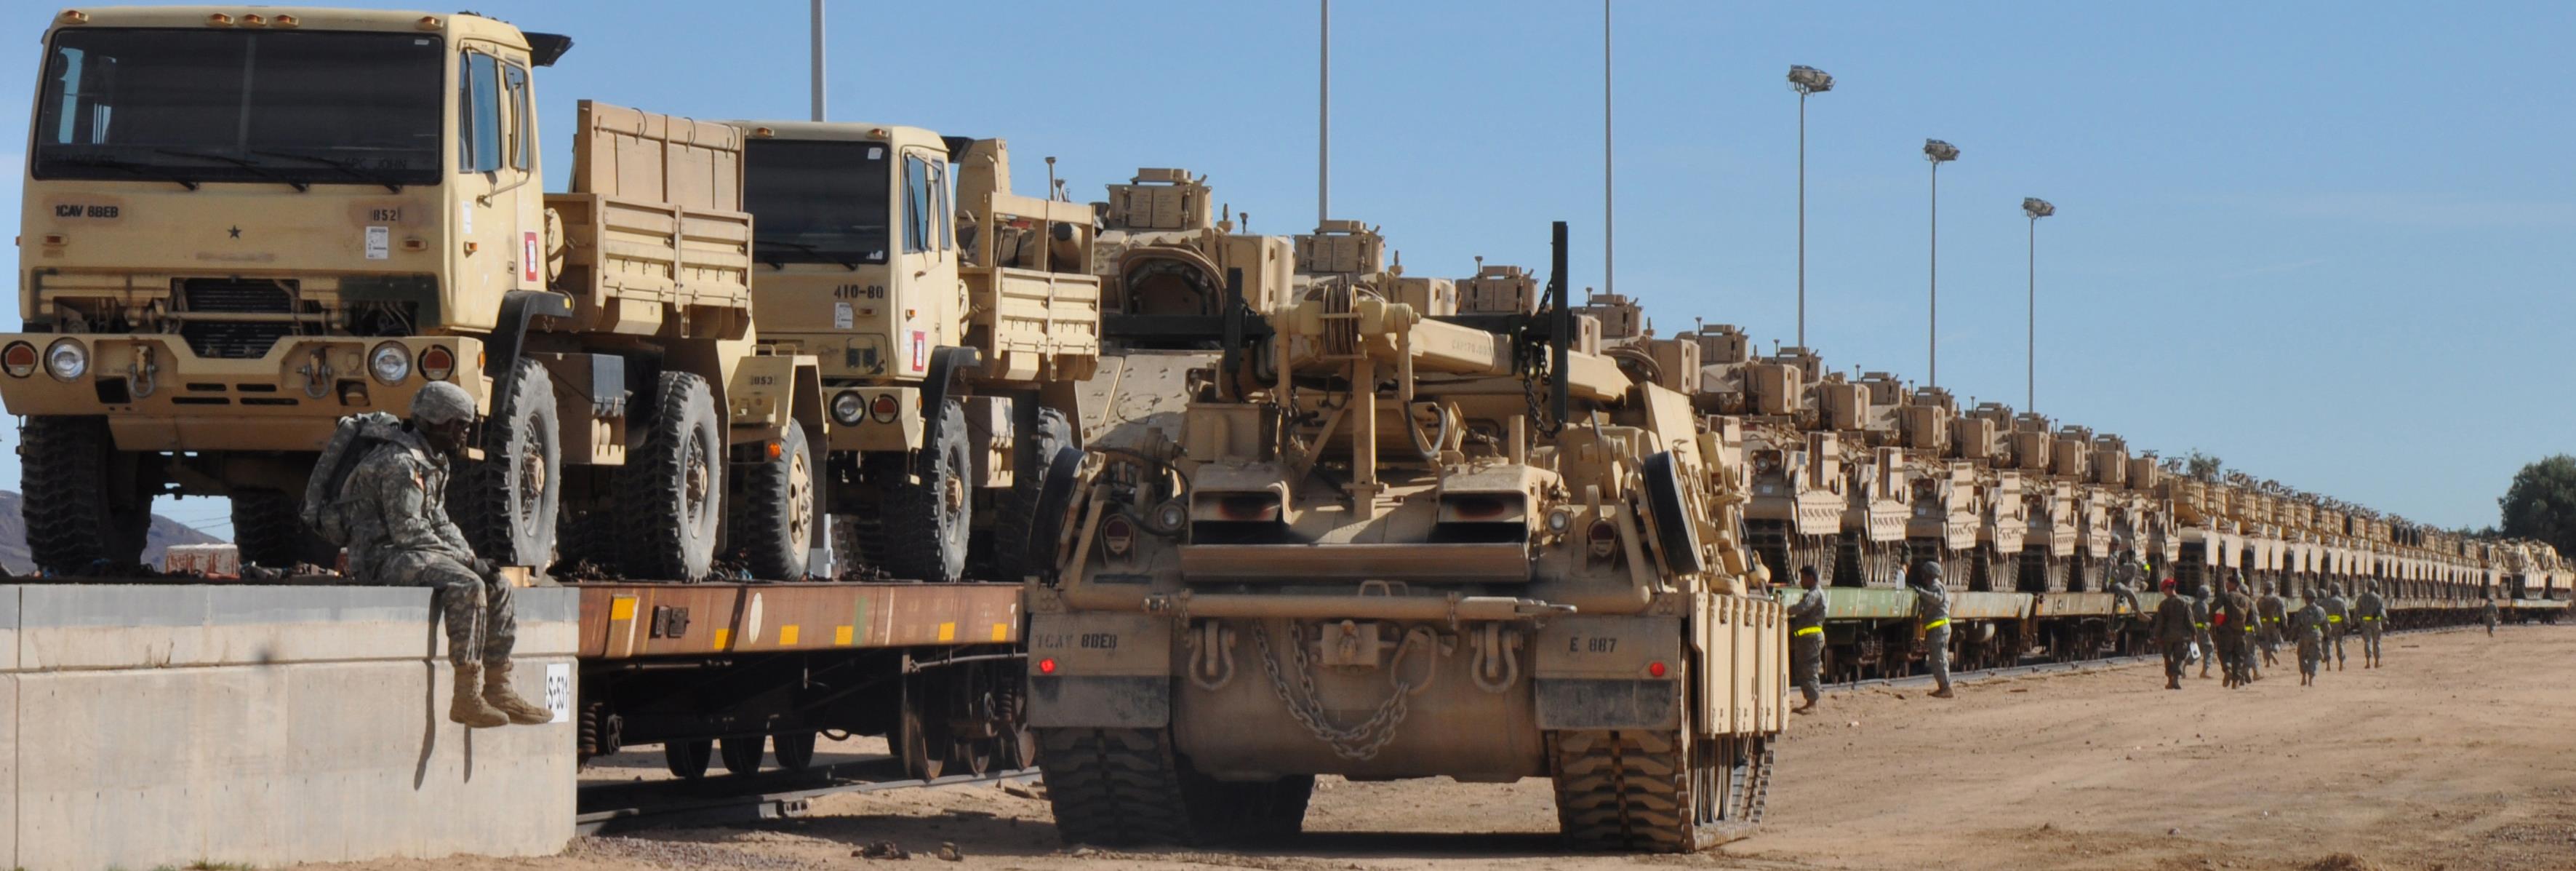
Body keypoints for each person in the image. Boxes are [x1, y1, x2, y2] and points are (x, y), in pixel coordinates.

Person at [343, 382, 553, 728]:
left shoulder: (432, 461)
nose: (464, 433)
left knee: (495, 582)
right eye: (459, 425)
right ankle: (466, 696)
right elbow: (408, 532)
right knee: (467, 584)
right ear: (436, 422)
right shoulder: (400, 464)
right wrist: (467, 564)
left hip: (410, 551)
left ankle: (499, 688)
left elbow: (439, 520)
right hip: (382, 557)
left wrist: (473, 558)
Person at [1911, 560, 1955, 699]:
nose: (1923, 576)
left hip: (1939, 629)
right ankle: (1943, 687)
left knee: (1940, 659)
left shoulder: (1936, 586)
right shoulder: (1932, 587)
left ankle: (1946, 688)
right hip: (1936, 630)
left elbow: (1937, 599)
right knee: (1936, 660)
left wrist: (1921, 592)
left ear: (1929, 574)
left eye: (1925, 573)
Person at [1788, 565, 1828, 715]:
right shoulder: (1814, 593)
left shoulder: (1814, 594)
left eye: (1803, 578)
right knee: (1803, 670)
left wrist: (1785, 610)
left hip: (1811, 639)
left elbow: (1803, 607)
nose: (1800, 581)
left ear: (1811, 578)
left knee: (1809, 670)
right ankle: (1810, 701)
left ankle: (1813, 704)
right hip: (1806, 639)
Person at [2152, 578, 2196, 690]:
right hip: (2182, 637)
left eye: (2164, 590)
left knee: (2168, 658)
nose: (2163, 592)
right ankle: (2175, 679)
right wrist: (2194, 634)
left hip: (2167, 637)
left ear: (2168, 589)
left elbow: (2160, 623)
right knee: (2179, 658)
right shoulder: (2185, 603)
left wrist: (2157, 636)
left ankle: (2170, 680)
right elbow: (2190, 620)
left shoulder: (2163, 605)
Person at [2219, 575, 2257, 685]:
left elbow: (2215, 610)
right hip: (2240, 633)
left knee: (2225, 653)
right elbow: (2251, 618)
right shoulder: (2247, 600)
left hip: (2226, 632)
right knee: (2238, 656)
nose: (2226, 585)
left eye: (2228, 583)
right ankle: (2235, 682)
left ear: (2234, 584)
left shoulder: (2225, 597)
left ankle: (2227, 669)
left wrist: (2216, 623)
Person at [2288, 591, 2329, 687]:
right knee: (2314, 657)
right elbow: (2326, 625)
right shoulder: (2321, 611)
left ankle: (2303, 677)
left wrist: (2293, 636)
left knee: (2302, 656)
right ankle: (2311, 678)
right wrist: (2326, 635)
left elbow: (2296, 626)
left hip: (2304, 636)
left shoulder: (2302, 611)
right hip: (2316, 636)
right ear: (2315, 599)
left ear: (2306, 599)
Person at [2353, 581, 2388, 667]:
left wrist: (2355, 621)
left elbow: (2357, 611)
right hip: (2376, 623)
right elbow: (2382, 611)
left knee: (2367, 642)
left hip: (2365, 623)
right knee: (2377, 642)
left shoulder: (2361, 598)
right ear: (2376, 587)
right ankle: (2377, 662)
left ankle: (2368, 662)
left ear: (2367, 586)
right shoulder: (2378, 598)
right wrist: (2385, 621)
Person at [2106, 549, 2145, 620]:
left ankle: (2138, 610)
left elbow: (2144, 569)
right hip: (2113, 583)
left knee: (2133, 589)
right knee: (2130, 592)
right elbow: (2109, 576)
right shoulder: (2114, 559)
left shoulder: (2134, 564)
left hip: (2119, 582)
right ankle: (2138, 611)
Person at [2256, 581, 2287, 669]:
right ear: (2273, 589)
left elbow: (2257, 614)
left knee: (2266, 642)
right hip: (2275, 623)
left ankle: (2268, 662)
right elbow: (2283, 615)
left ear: (2265, 589)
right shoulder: (2278, 600)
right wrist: (2285, 624)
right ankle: (2274, 651)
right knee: (2277, 641)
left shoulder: (2260, 600)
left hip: (2264, 623)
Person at [2321, 583, 2351, 671]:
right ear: (2338, 591)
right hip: (2339, 626)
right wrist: (2347, 625)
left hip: (2327, 626)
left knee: (2327, 644)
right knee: (2339, 644)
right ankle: (2341, 665)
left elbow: (2321, 614)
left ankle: (2328, 665)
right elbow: (2345, 615)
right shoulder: (2341, 602)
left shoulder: (2324, 601)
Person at [2191, 580, 2216, 680]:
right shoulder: (2204, 606)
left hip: (2196, 630)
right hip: (2203, 631)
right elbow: (2206, 618)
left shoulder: (2195, 604)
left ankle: (2183, 665)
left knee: (2197, 651)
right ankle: (2205, 671)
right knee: (2209, 648)